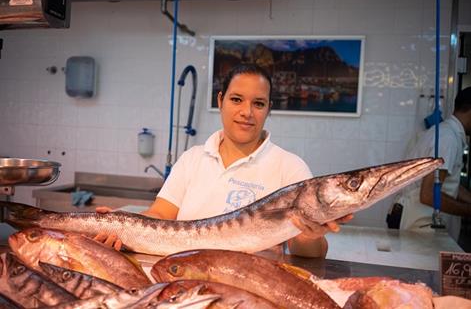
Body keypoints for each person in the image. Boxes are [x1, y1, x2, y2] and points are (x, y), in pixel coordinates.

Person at [96, 63, 352, 257]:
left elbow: (308, 253)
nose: (246, 113)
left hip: (249, 289)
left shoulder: (290, 167)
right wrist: (119, 223)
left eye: (259, 103)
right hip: (181, 283)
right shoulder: (193, 158)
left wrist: (311, 236)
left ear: (269, 109)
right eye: (237, 99)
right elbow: (161, 214)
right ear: (221, 101)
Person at [394, 87, 471, 241]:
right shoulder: (447, 138)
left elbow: (444, 181)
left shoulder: (445, 133)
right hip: (417, 223)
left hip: (417, 221)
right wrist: (468, 211)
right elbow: (428, 194)